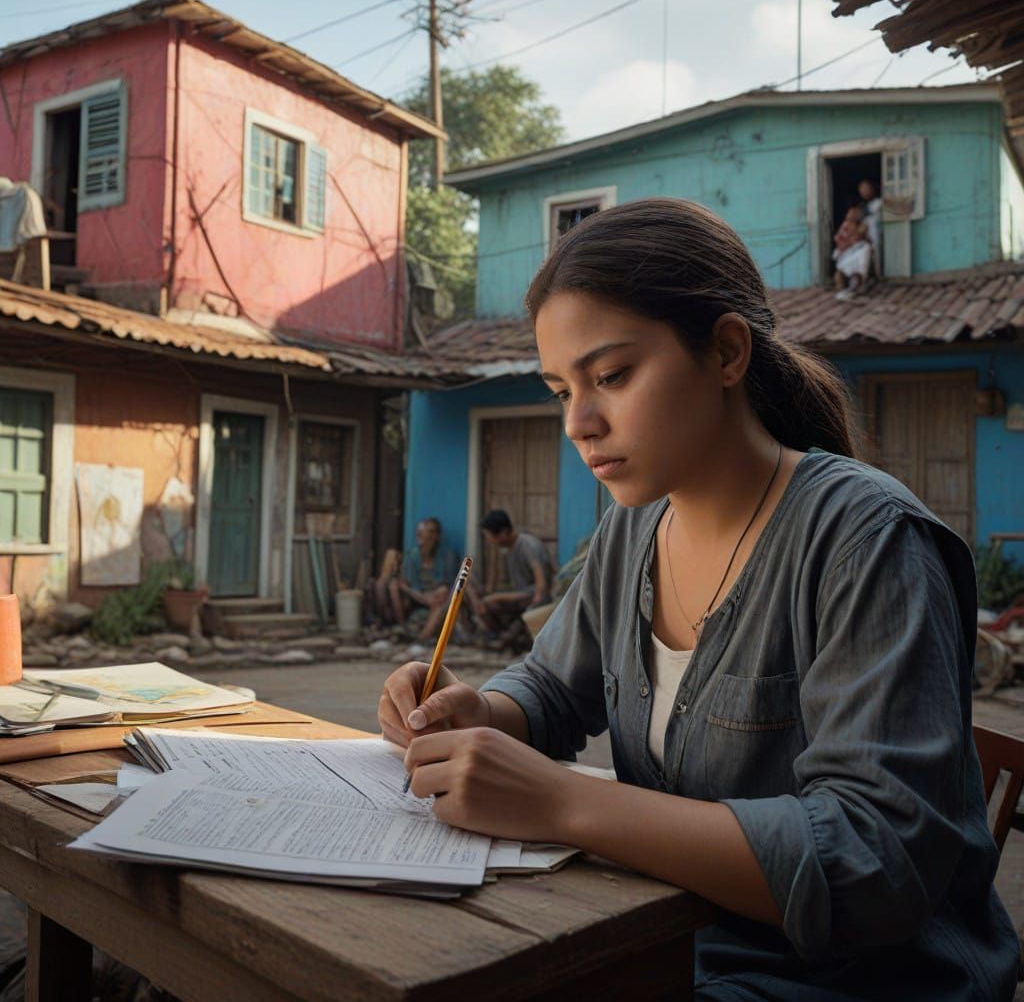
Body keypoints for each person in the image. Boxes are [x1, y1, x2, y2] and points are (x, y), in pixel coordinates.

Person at [378, 198, 1019, 1000]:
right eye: (558, 388)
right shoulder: (633, 528)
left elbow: (871, 861)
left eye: (611, 376)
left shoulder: (867, 542)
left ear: (725, 352)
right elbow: (550, 686)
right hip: (671, 945)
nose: (579, 422)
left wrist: (563, 803)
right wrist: (476, 712)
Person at [468, 509, 552, 640]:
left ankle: (502, 637)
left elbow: (540, 576)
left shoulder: (528, 544)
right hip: (521, 593)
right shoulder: (507, 548)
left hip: (533, 594)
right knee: (479, 599)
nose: (489, 540)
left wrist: (537, 602)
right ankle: (503, 636)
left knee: (488, 602)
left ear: (503, 533)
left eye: (490, 536)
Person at [372, 517, 457, 640]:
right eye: (421, 535)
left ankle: (421, 640)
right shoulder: (412, 556)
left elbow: (446, 586)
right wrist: (423, 597)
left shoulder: (447, 556)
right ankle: (403, 627)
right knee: (394, 587)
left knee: (440, 602)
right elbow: (411, 586)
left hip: (438, 598)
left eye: (429, 534)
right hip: (418, 599)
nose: (424, 539)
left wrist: (432, 596)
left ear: (436, 537)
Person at [832, 204, 871, 300]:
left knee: (864, 251)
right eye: (849, 215)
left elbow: (865, 239)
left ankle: (857, 281)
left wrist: (858, 235)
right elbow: (838, 239)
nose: (850, 217)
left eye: (854, 215)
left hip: (858, 250)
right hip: (846, 251)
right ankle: (843, 288)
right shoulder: (845, 225)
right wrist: (850, 241)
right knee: (840, 272)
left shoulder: (863, 225)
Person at [858, 178, 883, 280]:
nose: (864, 192)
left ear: (872, 189)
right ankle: (875, 277)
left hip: (879, 234)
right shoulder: (864, 206)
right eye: (862, 191)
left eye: (866, 189)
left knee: (879, 255)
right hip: (869, 235)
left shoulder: (879, 202)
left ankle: (881, 276)